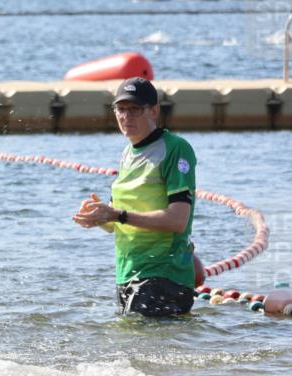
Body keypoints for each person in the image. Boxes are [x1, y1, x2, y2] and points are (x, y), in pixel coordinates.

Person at [72, 77, 198, 317]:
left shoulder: (175, 148)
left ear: (154, 111)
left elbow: (178, 220)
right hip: (128, 273)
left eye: (135, 109)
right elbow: (116, 223)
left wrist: (117, 215)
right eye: (121, 109)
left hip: (163, 274)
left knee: (138, 339)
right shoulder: (127, 154)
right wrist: (98, 216)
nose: (126, 116)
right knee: (131, 339)